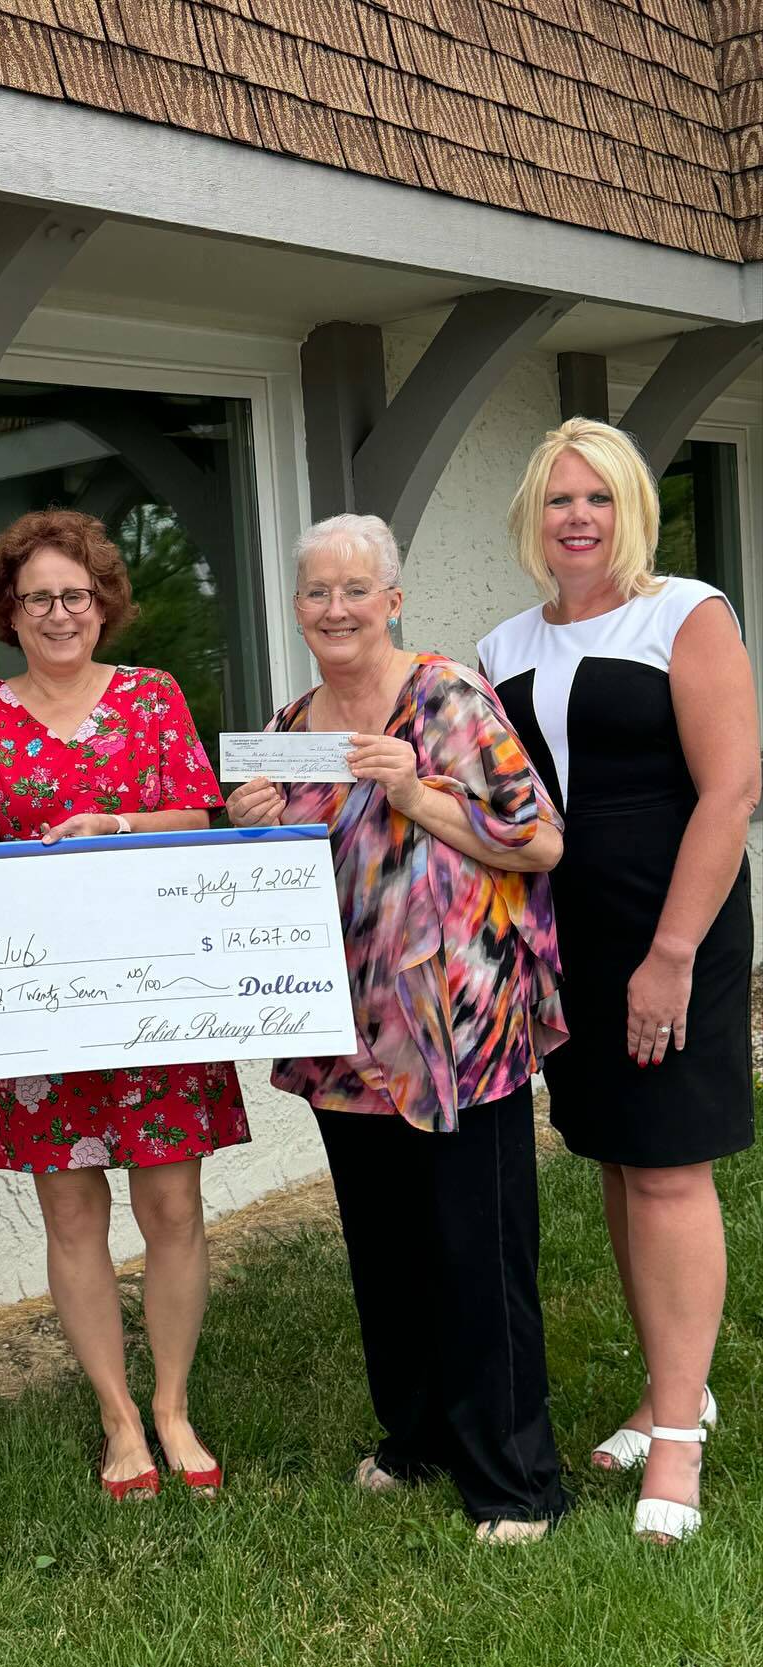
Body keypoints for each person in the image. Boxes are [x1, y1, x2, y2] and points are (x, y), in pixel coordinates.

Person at [229, 513, 571, 1544]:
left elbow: (540, 841)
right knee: (386, 1250)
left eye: (355, 589)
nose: (336, 609)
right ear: (298, 610)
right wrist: (255, 825)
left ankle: (516, 1481)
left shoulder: (449, 698)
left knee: (478, 1250)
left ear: (393, 600)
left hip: (459, 1029)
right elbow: (295, 870)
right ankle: (416, 1440)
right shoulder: (292, 724)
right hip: (347, 1032)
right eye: (317, 593)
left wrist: (414, 791)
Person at [0, 509, 248, 1499]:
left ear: (102, 604)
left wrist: (110, 822)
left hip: (153, 996)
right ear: (8, 613)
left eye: (75, 594)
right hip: (37, 1010)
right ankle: (118, 1418)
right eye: (37, 599)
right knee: (72, 1216)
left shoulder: (151, 699)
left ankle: (173, 1405)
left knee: (172, 1205)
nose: (59, 613)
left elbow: (196, 814)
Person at [479, 419, 757, 1545]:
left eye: (597, 497)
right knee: (613, 1159)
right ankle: (662, 1389)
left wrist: (672, 956)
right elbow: (491, 804)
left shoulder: (683, 613)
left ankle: (681, 1444)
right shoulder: (501, 645)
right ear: (533, 520)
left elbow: (731, 791)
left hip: (670, 925)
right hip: (566, 940)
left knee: (669, 1172)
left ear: (631, 508)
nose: (577, 518)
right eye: (557, 500)